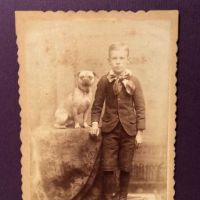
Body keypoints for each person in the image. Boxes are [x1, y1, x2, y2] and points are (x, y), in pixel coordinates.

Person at [90, 43, 145, 200]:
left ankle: (123, 196)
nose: (118, 62)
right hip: (109, 130)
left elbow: (140, 108)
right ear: (109, 60)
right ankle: (108, 196)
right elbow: (97, 106)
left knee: (126, 166)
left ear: (128, 60)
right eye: (114, 58)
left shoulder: (134, 81)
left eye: (121, 58)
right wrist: (94, 123)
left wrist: (139, 132)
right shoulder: (103, 81)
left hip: (129, 130)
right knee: (108, 166)